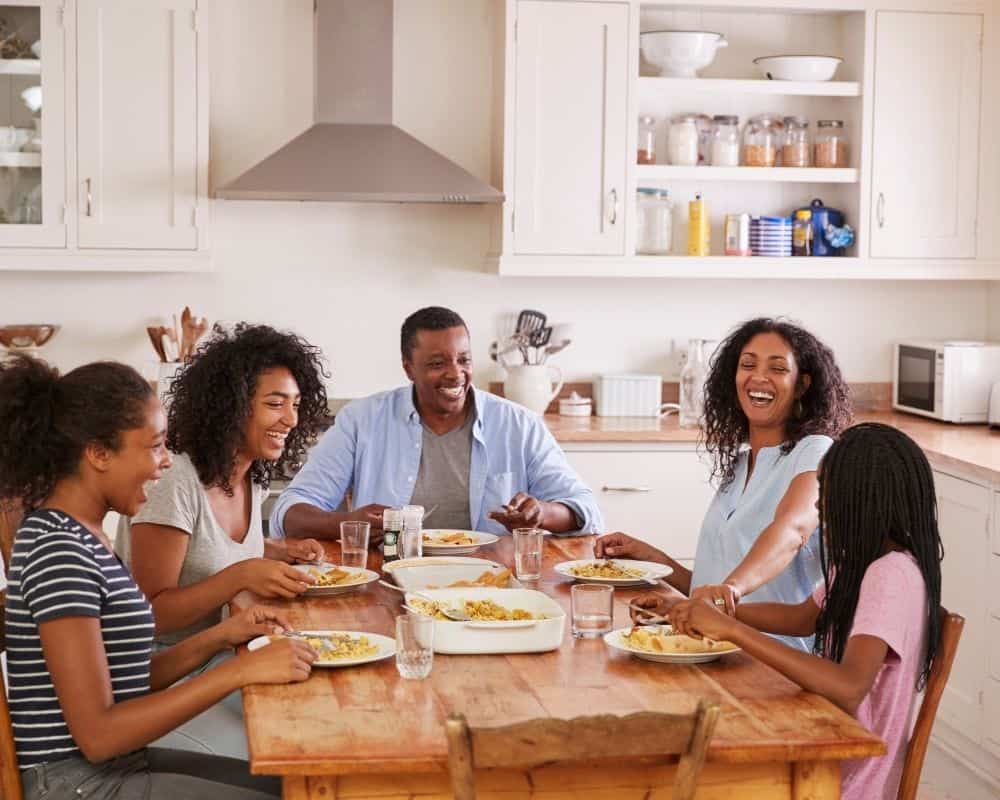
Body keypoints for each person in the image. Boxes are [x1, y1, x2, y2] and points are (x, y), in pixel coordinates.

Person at [0, 355, 316, 800]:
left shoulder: (84, 534)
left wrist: (222, 636)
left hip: (115, 767)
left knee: (297, 786)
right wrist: (239, 672)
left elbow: (124, 679)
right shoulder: (60, 550)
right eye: (154, 446)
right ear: (98, 453)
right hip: (78, 785)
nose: (166, 462)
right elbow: (99, 735)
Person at [665, 423, 943, 800]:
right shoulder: (863, 563)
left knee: (694, 776)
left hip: (845, 780)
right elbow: (802, 618)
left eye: (826, 497)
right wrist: (712, 609)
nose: (819, 508)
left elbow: (847, 689)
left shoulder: (889, 575)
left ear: (863, 500)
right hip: (827, 748)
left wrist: (732, 631)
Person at [114, 324, 330, 758]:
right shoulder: (176, 480)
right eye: (275, 404)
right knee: (293, 751)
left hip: (218, 659)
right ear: (232, 407)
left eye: (295, 405)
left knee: (321, 716)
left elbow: (207, 545)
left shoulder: (251, 476)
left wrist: (273, 550)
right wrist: (242, 575)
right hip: (158, 682)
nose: (290, 419)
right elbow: (151, 612)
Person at [601, 317, 853, 649]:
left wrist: (729, 590)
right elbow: (712, 592)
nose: (758, 377)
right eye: (747, 365)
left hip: (775, 663)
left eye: (777, 368)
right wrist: (654, 560)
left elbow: (793, 531)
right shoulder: (740, 463)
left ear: (802, 385)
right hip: (716, 650)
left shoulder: (816, 451)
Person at [270, 306, 602, 540]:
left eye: (464, 359)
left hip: (494, 584)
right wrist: (347, 523)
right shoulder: (362, 420)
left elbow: (586, 510)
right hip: (389, 581)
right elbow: (289, 512)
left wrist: (541, 513)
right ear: (408, 368)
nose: (456, 373)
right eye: (437, 363)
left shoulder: (519, 424)